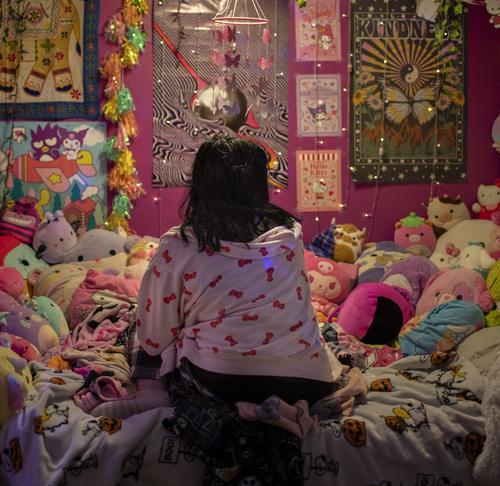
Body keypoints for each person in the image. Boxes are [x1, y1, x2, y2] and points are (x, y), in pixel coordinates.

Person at [130, 134, 343, 405]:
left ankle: (149, 395)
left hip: (223, 381)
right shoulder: (290, 236)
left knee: (137, 326)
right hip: (308, 381)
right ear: (260, 184)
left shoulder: (180, 245)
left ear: (200, 185)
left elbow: (154, 338)